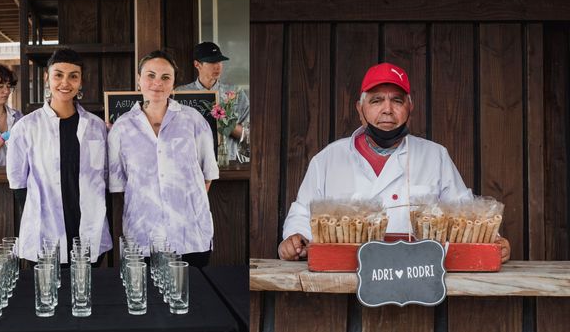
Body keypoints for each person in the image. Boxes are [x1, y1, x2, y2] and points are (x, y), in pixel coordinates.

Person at [278, 62, 511, 262]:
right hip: (342, 280)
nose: (387, 109)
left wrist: (494, 241)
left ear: (410, 107)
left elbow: (465, 214)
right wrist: (295, 239)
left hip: (416, 276)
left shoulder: (435, 156)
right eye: (377, 100)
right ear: (360, 109)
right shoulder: (328, 159)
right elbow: (301, 214)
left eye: (397, 101)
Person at [108, 50, 218, 268]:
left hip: (190, 235)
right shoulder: (121, 127)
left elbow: (208, 175)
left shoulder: (193, 120)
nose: (157, 82)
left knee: (191, 297)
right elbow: (120, 186)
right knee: (145, 299)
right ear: (139, 79)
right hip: (142, 237)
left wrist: (185, 206)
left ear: (173, 83)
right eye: (150, 75)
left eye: (165, 77)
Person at [6, 48, 112, 264]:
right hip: (45, 228)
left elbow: (105, 176)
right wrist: (37, 217)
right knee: (49, 293)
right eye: (58, 75)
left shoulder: (96, 126)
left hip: (89, 224)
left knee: (85, 292)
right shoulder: (26, 127)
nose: (66, 82)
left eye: (73, 76)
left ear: (81, 81)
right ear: (47, 78)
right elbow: (17, 183)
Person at [175, 41, 249, 162]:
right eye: (212, 61)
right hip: (191, 163)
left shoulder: (235, 93)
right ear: (197, 64)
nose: (218, 66)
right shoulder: (180, 94)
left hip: (227, 163)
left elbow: (249, 137)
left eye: (219, 61)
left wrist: (227, 123)